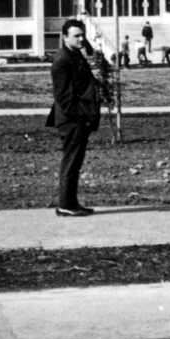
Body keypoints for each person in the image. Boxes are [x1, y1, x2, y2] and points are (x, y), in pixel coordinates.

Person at [47, 19, 101, 216]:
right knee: (70, 162)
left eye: (82, 35)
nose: (81, 38)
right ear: (64, 37)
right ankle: (65, 205)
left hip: (77, 120)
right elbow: (63, 97)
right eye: (76, 36)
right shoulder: (62, 60)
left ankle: (71, 203)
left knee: (75, 162)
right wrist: (81, 118)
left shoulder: (75, 55)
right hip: (72, 121)